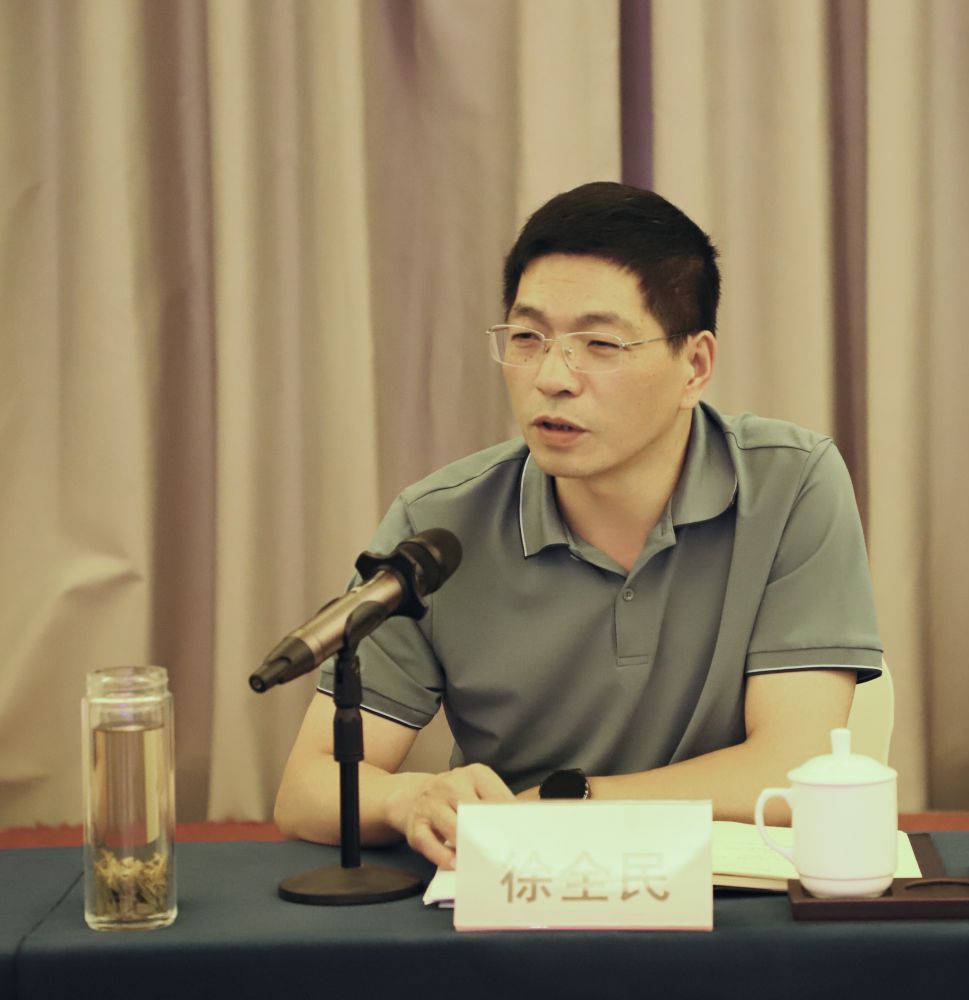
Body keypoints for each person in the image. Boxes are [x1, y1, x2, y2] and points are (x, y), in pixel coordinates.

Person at [273, 181, 883, 868]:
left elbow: (792, 770)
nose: (552, 378)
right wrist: (406, 798)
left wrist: (568, 804)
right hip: (515, 898)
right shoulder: (439, 525)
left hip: (723, 897)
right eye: (528, 338)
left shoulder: (790, 484)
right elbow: (306, 791)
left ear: (695, 366)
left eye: (599, 344)